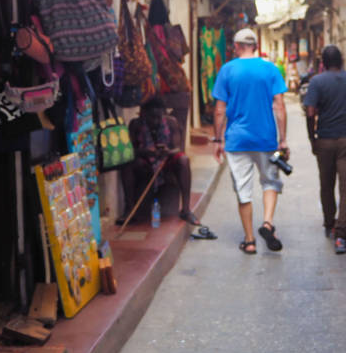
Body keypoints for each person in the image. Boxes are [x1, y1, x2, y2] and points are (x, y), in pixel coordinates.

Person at [212, 28, 288, 254]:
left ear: (236, 47)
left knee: (243, 190)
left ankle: (250, 241)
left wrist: (218, 140)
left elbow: (219, 110)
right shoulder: (270, 69)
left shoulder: (227, 70)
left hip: (237, 140)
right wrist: (283, 140)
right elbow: (280, 106)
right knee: (270, 182)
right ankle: (267, 223)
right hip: (266, 138)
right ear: (255, 46)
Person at [303, 45, 346, 254]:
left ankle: (330, 224)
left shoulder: (316, 82)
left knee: (326, 184)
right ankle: (341, 237)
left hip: (326, 140)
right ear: (342, 61)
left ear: (323, 63)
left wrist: (312, 138)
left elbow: (310, 112)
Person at [119, 97, 213, 235]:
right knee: (128, 164)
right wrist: (145, 151)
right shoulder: (135, 124)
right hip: (145, 163)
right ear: (143, 114)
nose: (156, 121)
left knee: (184, 160)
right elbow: (130, 151)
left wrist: (167, 152)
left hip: (165, 162)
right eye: (152, 118)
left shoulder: (171, 122)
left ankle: (186, 210)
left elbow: (177, 149)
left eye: (158, 117)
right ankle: (129, 210)